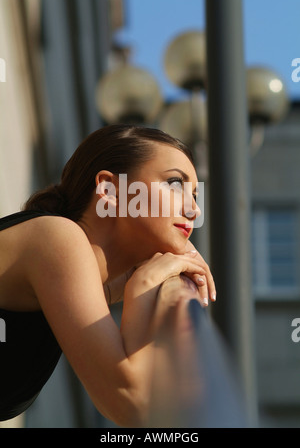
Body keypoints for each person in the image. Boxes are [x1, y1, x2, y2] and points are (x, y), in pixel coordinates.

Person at [0, 124, 216, 427]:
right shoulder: (57, 239)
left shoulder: (83, 276)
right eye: (175, 184)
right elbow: (132, 405)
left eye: (195, 194)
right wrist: (144, 284)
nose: (195, 210)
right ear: (110, 190)